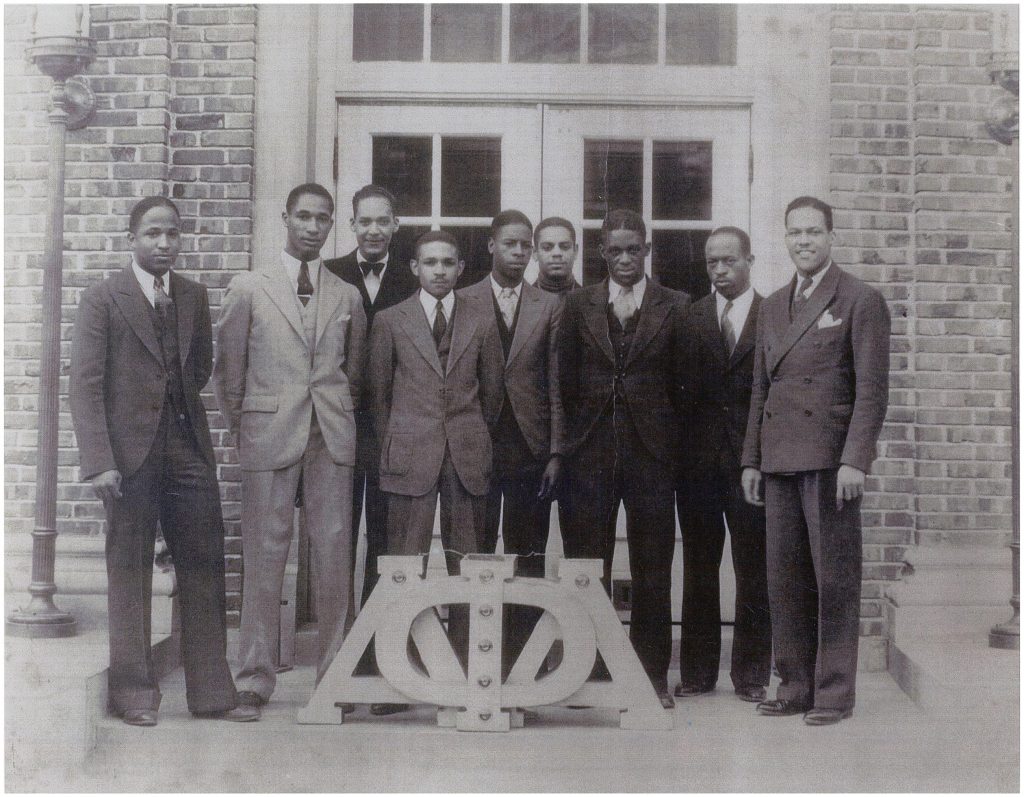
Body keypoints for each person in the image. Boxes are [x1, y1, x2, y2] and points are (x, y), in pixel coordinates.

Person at [69, 196, 258, 725]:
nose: (164, 243)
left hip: (186, 448)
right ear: (132, 238)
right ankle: (134, 695)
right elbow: (85, 387)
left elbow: (198, 369)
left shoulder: (193, 297)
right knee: (128, 569)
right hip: (127, 460)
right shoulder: (103, 299)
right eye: (153, 233)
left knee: (204, 563)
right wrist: (100, 460)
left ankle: (213, 694)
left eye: (172, 233)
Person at [213, 182, 367, 710]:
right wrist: (247, 428)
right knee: (262, 555)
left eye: (322, 219)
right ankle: (255, 676)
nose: (312, 227)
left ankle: (335, 677)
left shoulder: (346, 294)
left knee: (333, 554)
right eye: (302, 216)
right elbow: (227, 374)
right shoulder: (249, 287)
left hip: (330, 436)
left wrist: (340, 420)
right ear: (284, 217)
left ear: (331, 226)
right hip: (267, 436)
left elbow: (357, 372)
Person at [741, 196, 890, 726]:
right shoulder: (773, 304)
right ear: (785, 239)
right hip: (779, 457)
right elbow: (762, 386)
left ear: (830, 236)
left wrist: (857, 460)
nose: (803, 241)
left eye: (813, 232)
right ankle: (795, 682)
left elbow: (872, 392)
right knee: (783, 579)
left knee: (833, 578)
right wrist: (751, 460)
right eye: (794, 233)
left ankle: (833, 692)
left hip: (830, 462)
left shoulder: (859, 299)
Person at [558, 209, 690, 709]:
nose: (625, 259)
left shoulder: (674, 305)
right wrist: (570, 447)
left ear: (647, 250)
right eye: (615, 250)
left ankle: (652, 674)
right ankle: (587, 668)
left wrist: (668, 444)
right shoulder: (578, 305)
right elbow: (564, 382)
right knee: (587, 564)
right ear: (601, 253)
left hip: (652, 456)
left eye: (634, 249)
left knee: (652, 564)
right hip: (590, 454)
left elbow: (686, 387)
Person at [368, 230, 502, 714]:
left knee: (470, 562)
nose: (440, 270)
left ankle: (470, 672)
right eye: (430, 262)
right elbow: (378, 396)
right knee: (406, 564)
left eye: (448, 262)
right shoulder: (390, 320)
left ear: (462, 267)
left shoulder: (482, 319)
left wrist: (470, 437)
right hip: (410, 454)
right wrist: (397, 445)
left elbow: (493, 395)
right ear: (414, 268)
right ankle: (397, 673)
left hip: (465, 453)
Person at [459, 210, 565, 679]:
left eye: (526, 246)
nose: (519, 253)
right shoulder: (462, 300)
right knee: (474, 553)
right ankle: (473, 658)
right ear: (491, 246)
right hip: (476, 444)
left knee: (528, 554)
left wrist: (556, 451)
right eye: (510, 244)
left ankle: (526, 658)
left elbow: (558, 384)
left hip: (529, 447)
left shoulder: (549, 305)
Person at [675, 226, 772, 703]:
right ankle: (696, 672)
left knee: (753, 567)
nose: (719, 270)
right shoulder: (690, 317)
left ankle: (752, 674)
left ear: (749, 260)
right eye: (712, 262)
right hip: (697, 466)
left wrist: (758, 456)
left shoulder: (773, 314)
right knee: (698, 566)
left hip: (752, 464)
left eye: (729, 261)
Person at [323, 185, 418, 611]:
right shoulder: (329, 273)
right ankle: (338, 631)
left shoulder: (416, 276)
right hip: (339, 422)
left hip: (396, 424)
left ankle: (377, 632)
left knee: (386, 529)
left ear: (396, 225)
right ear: (352, 225)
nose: (374, 230)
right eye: (365, 221)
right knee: (337, 528)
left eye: (383, 221)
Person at [532, 216, 582, 297]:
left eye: (565, 247)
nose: (557, 253)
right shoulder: (521, 302)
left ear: (575, 251)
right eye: (547, 248)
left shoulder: (593, 304)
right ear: (535, 253)